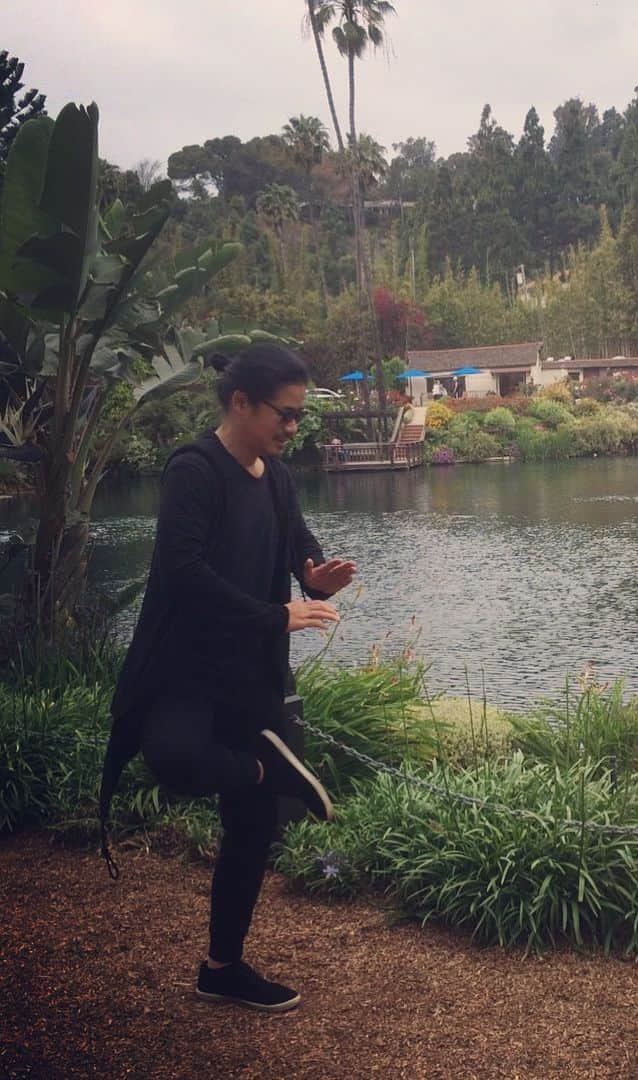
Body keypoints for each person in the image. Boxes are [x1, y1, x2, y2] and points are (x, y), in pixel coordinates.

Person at [98, 343, 357, 1014]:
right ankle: (270, 770)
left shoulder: (274, 474)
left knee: (250, 831)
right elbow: (184, 573)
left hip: (250, 675)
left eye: (300, 417)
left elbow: (297, 539)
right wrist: (277, 614)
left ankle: (222, 967)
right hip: (187, 670)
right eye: (286, 414)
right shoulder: (194, 470)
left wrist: (314, 572)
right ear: (240, 402)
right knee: (176, 760)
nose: (293, 428)